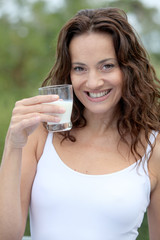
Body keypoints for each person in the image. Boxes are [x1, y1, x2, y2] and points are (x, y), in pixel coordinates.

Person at [0, 7, 160, 240]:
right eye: (80, 68)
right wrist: (13, 144)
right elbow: (6, 235)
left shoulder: (153, 148)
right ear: (69, 74)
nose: (93, 82)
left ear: (129, 68)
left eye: (107, 65)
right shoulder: (41, 134)